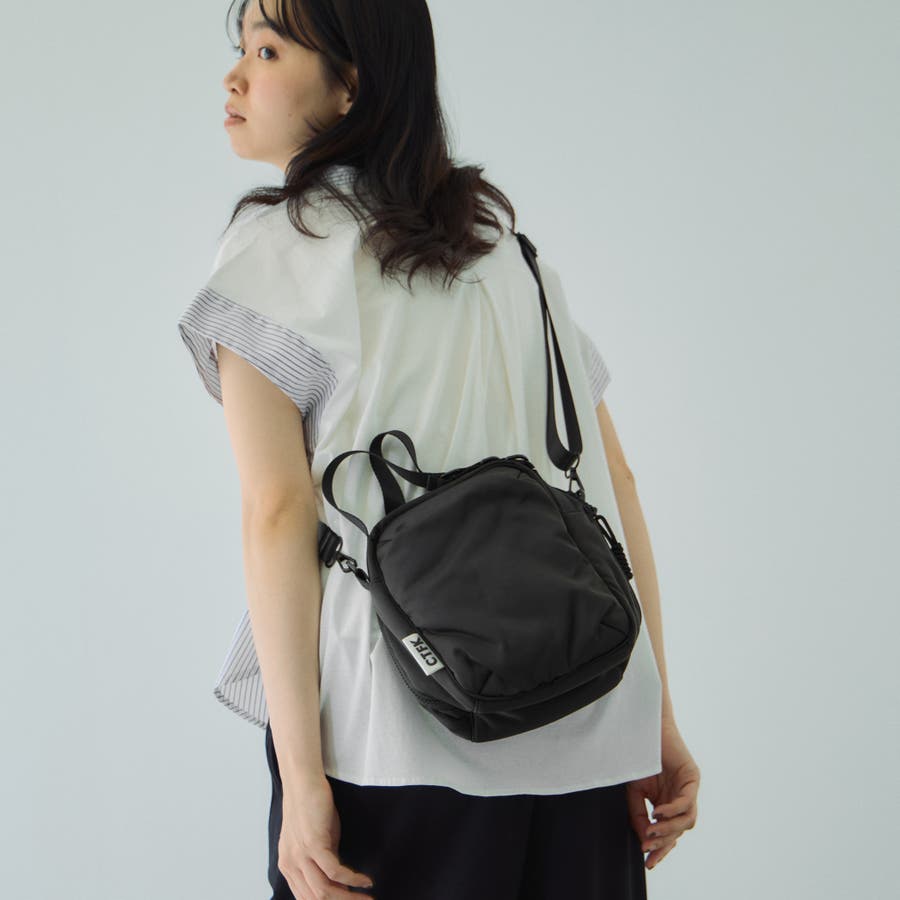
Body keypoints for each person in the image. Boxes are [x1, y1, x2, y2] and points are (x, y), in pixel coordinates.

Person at [176, 1, 701, 898]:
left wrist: (303, 783)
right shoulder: (505, 251)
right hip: (585, 725)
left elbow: (277, 512)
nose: (234, 76)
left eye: (266, 50)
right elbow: (613, 482)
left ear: (350, 85)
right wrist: (655, 723)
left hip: (393, 738)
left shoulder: (277, 250)